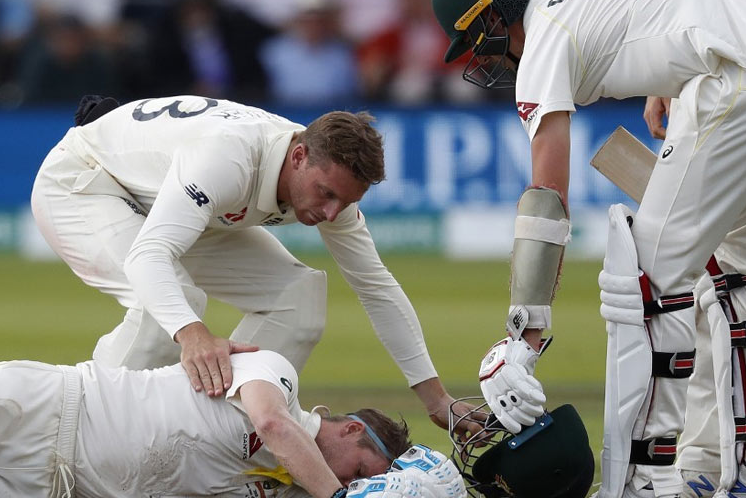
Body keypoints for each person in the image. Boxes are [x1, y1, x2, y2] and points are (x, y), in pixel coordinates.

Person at [431, 0, 746, 498]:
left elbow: (547, 199)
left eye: (477, 40)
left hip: (742, 73)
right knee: (744, 276)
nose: (486, 58)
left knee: (646, 282)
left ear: (488, 17)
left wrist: (523, 334)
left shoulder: (545, 31)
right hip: (739, 55)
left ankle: (642, 486)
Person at [30, 95, 475, 436]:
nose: (333, 213)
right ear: (298, 156)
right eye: (326, 194)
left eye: (347, 201)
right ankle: (85, 437)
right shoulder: (230, 158)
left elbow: (377, 288)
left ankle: (217, 437)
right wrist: (193, 334)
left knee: (297, 296)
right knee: (172, 303)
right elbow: (149, 256)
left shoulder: (323, 184)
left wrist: (436, 400)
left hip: (165, 198)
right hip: (84, 182)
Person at [0, 349, 453, 498]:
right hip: (47, 408)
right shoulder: (276, 374)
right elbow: (271, 425)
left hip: (39, 495)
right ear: (351, 429)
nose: (355, 487)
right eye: (362, 473)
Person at [638, 0, 746, 498]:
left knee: (737, 279)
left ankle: (730, 462)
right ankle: (707, 458)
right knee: (723, 278)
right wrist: (662, 75)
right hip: (706, 73)